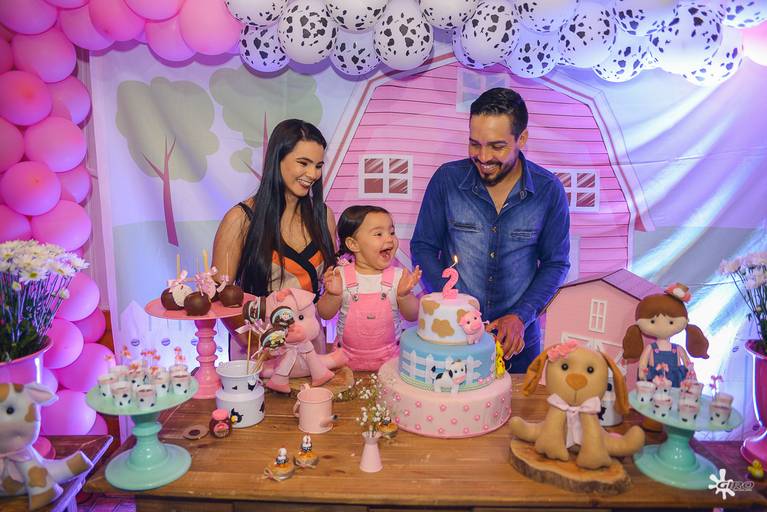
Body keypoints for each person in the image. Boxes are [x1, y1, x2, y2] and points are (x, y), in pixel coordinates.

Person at [410, 87, 570, 373]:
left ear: (522, 139)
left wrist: (520, 316)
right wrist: (454, 308)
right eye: (474, 144)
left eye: (497, 146)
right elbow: (423, 247)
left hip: (518, 346)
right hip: (453, 341)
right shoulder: (447, 180)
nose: (483, 157)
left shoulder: (548, 190)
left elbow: (555, 263)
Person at [212, 119, 336, 357]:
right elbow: (220, 296)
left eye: (318, 165)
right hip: (258, 351)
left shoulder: (324, 216)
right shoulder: (241, 219)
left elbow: (327, 291)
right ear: (277, 159)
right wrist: (255, 344)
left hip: (310, 348)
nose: (313, 174)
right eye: (303, 163)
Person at [317, 205, 421, 371]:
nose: (389, 239)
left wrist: (404, 296)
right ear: (353, 244)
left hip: (389, 360)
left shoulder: (399, 277)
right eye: (379, 234)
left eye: (391, 232)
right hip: (345, 360)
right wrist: (332, 295)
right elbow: (324, 313)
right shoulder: (340, 275)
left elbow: (413, 315)